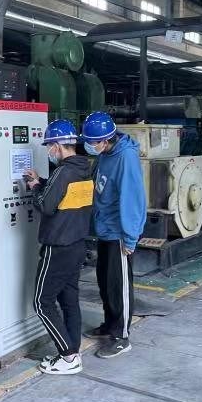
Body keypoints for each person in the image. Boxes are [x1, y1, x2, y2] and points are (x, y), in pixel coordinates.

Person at [24, 119, 94, 375]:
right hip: (76, 244)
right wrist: (42, 181)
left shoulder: (63, 172)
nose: (48, 151)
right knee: (69, 300)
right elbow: (63, 195)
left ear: (57, 145)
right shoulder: (83, 168)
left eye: (49, 146)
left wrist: (34, 187)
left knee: (42, 302)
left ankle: (68, 357)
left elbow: (46, 205)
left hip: (58, 247)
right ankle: (73, 349)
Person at [81, 111, 146, 359]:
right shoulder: (105, 154)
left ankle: (121, 336)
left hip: (119, 232)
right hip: (105, 229)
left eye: (93, 142)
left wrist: (130, 238)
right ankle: (110, 324)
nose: (90, 146)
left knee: (119, 285)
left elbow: (133, 199)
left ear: (105, 140)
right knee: (106, 282)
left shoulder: (125, 157)